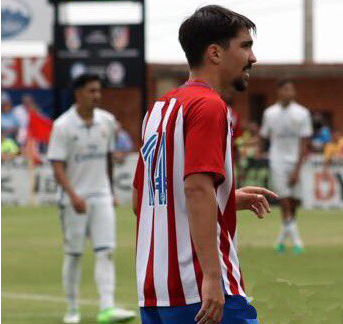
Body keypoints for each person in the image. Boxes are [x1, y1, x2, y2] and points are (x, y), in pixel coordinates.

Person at [133, 6, 276, 324]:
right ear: (215, 53)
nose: (252, 57)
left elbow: (141, 199)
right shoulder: (209, 105)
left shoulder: (159, 110)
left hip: (156, 289)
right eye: (245, 46)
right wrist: (212, 276)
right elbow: (196, 187)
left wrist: (227, 199)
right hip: (200, 288)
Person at [47, 74, 136, 323]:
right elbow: (57, 165)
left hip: (101, 197)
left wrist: (109, 191)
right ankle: (72, 309)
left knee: (106, 252)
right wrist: (73, 195)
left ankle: (107, 308)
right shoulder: (63, 126)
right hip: (73, 200)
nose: (97, 95)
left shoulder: (106, 121)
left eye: (98, 91)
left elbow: (108, 158)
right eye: (91, 91)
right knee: (74, 255)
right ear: (78, 93)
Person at [260, 78, 313, 254]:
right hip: (277, 160)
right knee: (284, 199)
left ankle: (281, 240)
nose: (289, 93)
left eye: (291, 90)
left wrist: (298, 169)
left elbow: (305, 142)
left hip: (296, 161)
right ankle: (298, 241)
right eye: (286, 90)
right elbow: (264, 135)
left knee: (294, 201)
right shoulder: (269, 113)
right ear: (279, 92)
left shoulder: (302, 113)